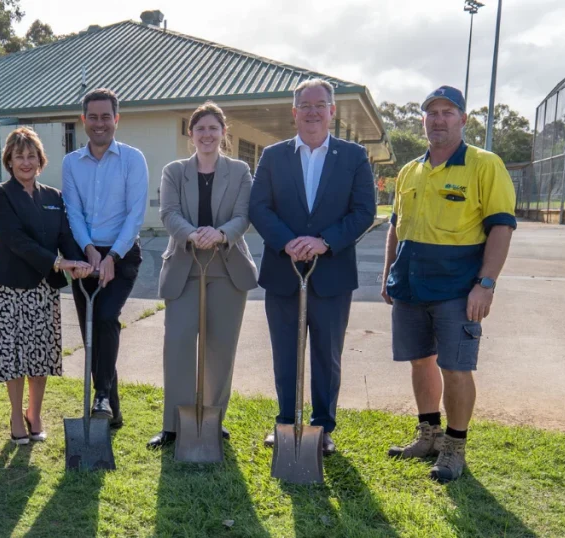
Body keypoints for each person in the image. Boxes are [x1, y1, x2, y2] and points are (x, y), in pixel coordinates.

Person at [383, 86, 516, 483]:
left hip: (457, 289)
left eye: (447, 112)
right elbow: (395, 226)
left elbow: (501, 228)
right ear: (423, 120)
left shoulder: (484, 165)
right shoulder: (410, 171)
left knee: (456, 368)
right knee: (419, 360)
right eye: (432, 113)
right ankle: (428, 435)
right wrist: (388, 272)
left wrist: (486, 284)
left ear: (463, 120)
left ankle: (454, 446)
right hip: (408, 286)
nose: (438, 119)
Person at [249, 78, 376, 455]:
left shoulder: (353, 157)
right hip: (283, 273)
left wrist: (325, 242)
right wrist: (287, 241)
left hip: (331, 276)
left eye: (320, 105)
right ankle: (286, 422)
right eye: (304, 105)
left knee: (326, 355)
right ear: (294, 113)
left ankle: (322, 428)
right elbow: (259, 207)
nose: (312, 112)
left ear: (332, 111)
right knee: (285, 353)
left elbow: (364, 211)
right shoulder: (273, 156)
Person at [147, 102, 258, 449]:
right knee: (178, 345)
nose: (207, 134)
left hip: (227, 267)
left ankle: (211, 420)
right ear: (191, 134)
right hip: (185, 265)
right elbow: (168, 212)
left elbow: (244, 214)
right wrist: (194, 234)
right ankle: (174, 425)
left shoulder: (240, 170)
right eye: (200, 129)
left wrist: (221, 234)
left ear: (223, 132)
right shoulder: (174, 171)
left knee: (220, 349)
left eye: (213, 128)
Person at [0, 127, 92, 444]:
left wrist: (79, 261)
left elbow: (64, 237)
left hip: (44, 290)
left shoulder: (53, 197)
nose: (26, 161)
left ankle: (35, 413)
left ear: (40, 159)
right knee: (15, 357)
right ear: (9, 160)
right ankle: (16, 415)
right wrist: (58, 262)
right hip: (11, 289)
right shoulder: (0, 194)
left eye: (31, 155)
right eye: (19, 156)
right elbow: (13, 238)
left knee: (41, 355)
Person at [62, 87, 148, 427]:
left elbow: (135, 213)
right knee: (91, 330)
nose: (100, 124)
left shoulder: (132, 159)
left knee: (106, 317)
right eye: (93, 117)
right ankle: (110, 409)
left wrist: (112, 254)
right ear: (84, 120)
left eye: (106, 117)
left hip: (123, 254)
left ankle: (100, 396)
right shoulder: (71, 162)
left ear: (117, 119)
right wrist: (89, 250)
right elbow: (73, 212)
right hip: (85, 255)